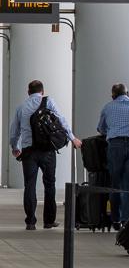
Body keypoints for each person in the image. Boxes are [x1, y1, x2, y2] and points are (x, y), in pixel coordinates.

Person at [9, 80, 82, 230]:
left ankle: (30, 222)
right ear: (42, 91)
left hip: (28, 152)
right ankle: (49, 221)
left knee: (29, 185)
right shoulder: (48, 101)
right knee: (50, 184)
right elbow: (61, 120)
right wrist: (72, 138)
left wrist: (15, 146)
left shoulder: (21, 108)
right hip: (47, 151)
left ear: (28, 92)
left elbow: (14, 131)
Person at [97, 83, 129, 229]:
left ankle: (116, 220)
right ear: (128, 94)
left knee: (115, 183)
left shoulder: (108, 107)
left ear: (113, 96)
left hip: (116, 145)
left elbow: (101, 128)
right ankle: (128, 220)